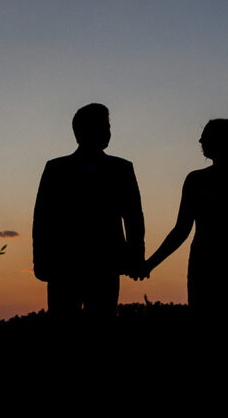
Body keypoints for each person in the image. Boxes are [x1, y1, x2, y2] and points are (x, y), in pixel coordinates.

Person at [141, 119, 228, 325]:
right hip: (205, 269)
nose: (200, 141)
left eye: (206, 136)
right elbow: (181, 230)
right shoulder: (195, 180)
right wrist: (150, 264)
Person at [32, 103, 145, 323]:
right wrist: (40, 261)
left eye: (108, 126)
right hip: (64, 266)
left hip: (106, 264)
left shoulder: (122, 168)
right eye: (103, 126)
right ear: (81, 132)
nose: (108, 132)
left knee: (102, 323)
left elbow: (133, 217)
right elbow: (43, 219)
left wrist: (136, 256)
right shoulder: (56, 169)